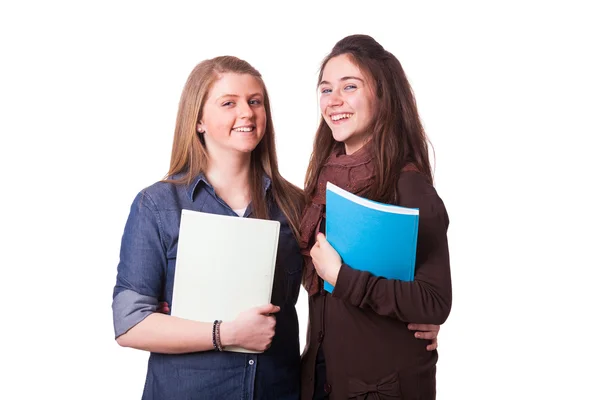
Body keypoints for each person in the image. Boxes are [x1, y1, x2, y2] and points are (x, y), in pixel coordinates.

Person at [111, 56, 306, 399]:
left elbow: (333, 298)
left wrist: (414, 316)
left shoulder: (294, 204)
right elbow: (131, 322)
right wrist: (226, 334)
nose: (246, 112)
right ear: (198, 120)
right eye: (228, 103)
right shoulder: (158, 206)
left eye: (254, 101)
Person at [299, 34, 452, 399]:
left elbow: (434, 302)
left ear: (382, 94)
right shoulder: (321, 184)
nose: (333, 101)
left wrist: (341, 276)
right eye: (325, 89)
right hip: (323, 378)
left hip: (382, 389)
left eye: (349, 87)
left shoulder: (408, 187)